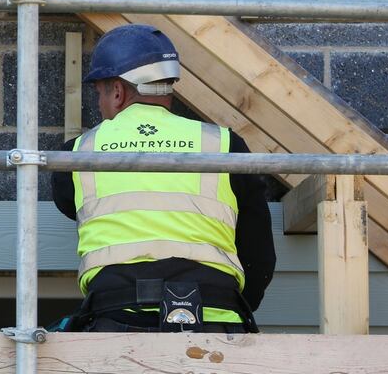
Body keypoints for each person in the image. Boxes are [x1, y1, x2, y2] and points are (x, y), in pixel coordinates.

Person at [49, 24, 275, 333]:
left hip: (117, 320)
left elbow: (75, 207)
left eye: (99, 93)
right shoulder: (223, 145)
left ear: (116, 91)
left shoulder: (76, 154)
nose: (100, 103)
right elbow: (259, 254)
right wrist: (233, 304)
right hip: (215, 319)